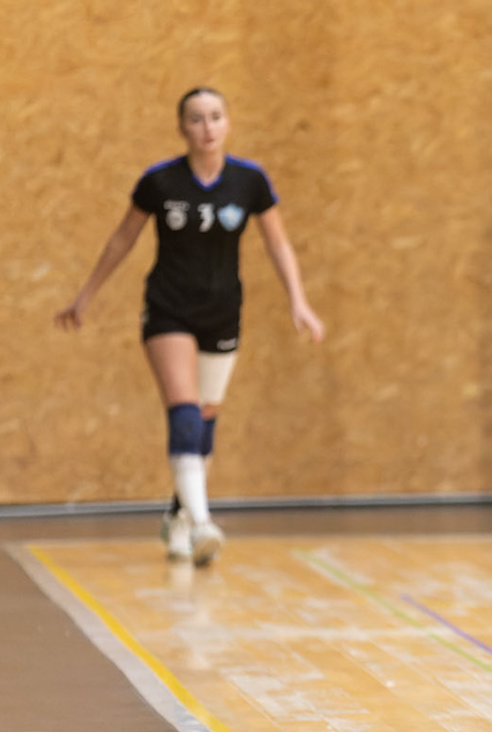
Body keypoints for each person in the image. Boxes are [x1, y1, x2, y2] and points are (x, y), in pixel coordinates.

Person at [55, 87, 325, 564]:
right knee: (184, 411)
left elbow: (278, 243)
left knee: (204, 421)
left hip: (222, 310)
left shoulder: (249, 181)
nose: (207, 128)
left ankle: (178, 518)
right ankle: (202, 523)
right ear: (181, 127)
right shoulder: (160, 182)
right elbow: (122, 239)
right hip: (169, 309)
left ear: (228, 123)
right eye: (196, 119)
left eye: (215, 117)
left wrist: (298, 301)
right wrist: (85, 295)